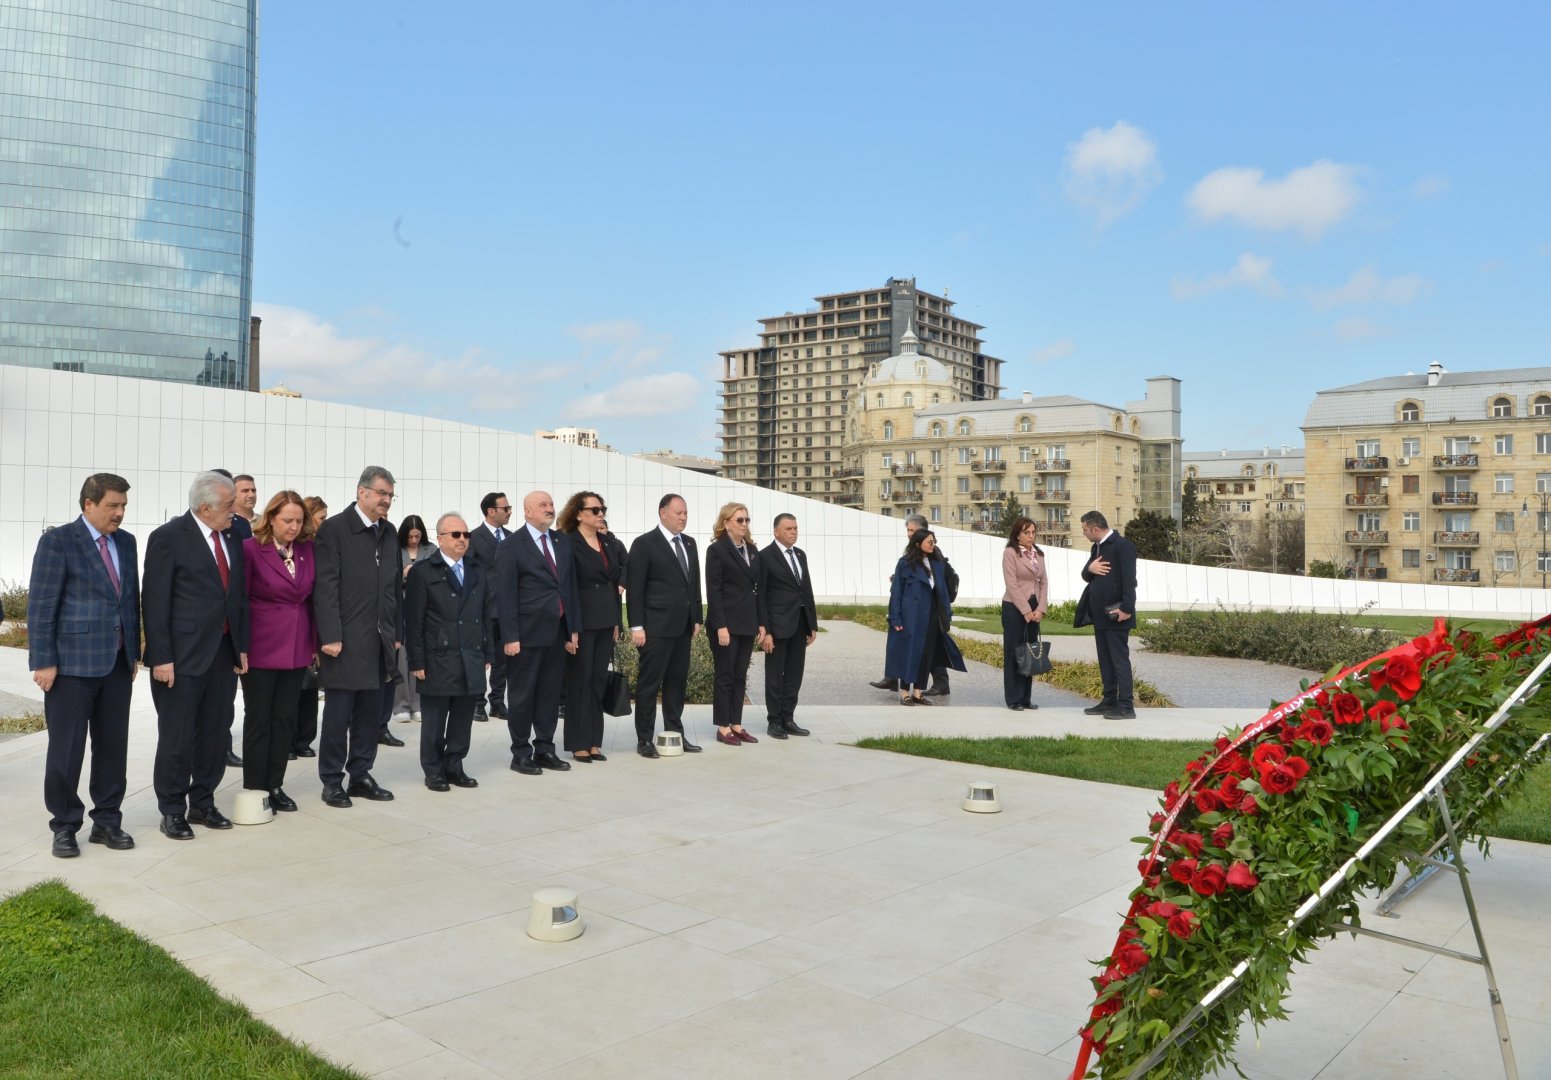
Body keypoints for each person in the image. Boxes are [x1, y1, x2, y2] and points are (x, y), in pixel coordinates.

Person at [28, 473, 141, 858]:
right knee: (67, 750)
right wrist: (44, 661)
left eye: (123, 505)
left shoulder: (127, 543)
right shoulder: (58, 542)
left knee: (112, 749)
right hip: (71, 667)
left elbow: (129, 600)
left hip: (116, 664)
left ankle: (107, 821)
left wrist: (133, 653)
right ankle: (64, 825)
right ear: (88, 504)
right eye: (112, 505)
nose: (120, 513)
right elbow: (41, 607)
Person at [143, 470, 250, 838]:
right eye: (228, 504)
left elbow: (237, 597)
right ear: (205, 507)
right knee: (178, 736)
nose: (235, 510)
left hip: (222, 654)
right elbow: (154, 603)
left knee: (215, 733)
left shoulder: (234, 535)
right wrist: (160, 657)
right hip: (181, 657)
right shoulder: (169, 538)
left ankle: (203, 802)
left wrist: (241, 647)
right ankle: (172, 809)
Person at [312, 466, 401, 807]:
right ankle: (332, 780)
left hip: (380, 640)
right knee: (339, 714)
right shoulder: (335, 529)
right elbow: (326, 586)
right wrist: (331, 635)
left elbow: (393, 589)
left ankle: (361, 774)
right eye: (381, 493)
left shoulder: (389, 532)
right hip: (345, 641)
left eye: (391, 495)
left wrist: (395, 633)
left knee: (370, 714)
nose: (386, 501)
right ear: (362, 492)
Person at [240, 490, 318, 813]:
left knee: (284, 719)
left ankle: (275, 784)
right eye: (288, 520)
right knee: (260, 720)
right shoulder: (250, 550)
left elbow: (312, 599)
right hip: (261, 647)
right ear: (271, 518)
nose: (294, 526)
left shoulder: (306, 550)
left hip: (297, 646)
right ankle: (255, 787)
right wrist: (240, 647)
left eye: (299, 520)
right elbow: (239, 601)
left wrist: (313, 643)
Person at [495, 490, 581, 775]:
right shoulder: (512, 545)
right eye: (542, 505)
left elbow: (569, 588)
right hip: (525, 635)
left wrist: (573, 629)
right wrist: (510, 637)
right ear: (527, 512)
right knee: (522, 696)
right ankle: (520, 753)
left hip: (556, 633)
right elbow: (505, 595)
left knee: (549, 694)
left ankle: (545, 748)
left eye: (551, 504)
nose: (549, 508)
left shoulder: (561, 542)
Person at [405, 513, 493, 790]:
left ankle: (454, 765)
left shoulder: (477, 570)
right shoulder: (423, 571)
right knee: (434, 719)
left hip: (470, 655)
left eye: (466, 535)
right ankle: (433, 770)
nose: (462, 540)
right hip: (437, 657)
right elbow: (414, 620)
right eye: (456, 535)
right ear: (441, 538)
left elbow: (486, 614)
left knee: (462, 717)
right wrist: (417, 659)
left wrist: (487, 652)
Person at [627, 494, 703, 758]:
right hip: (655, 628)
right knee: (650, 685)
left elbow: (694, 584)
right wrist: (636, 626)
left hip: (682, 627)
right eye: (678, 513)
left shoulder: (690, 543)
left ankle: (676, 734)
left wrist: (697, 617)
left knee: (676, 684)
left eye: (686, 513)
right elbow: (635, 589)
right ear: (662, 513)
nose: (683, 517)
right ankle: (645, 739)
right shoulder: (644, 544)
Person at [558, 491, 626, 762]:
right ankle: (578, 742)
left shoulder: (607, 541)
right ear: (578, 514)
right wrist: (571, 629)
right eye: (595, 510)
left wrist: (616, 622)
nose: (600, 514)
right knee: (580, 683)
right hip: (581, 622)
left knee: (597, 681)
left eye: (602, 509)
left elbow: (616, 581)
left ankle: (594, 741)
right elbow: (566, 588)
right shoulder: (566, 542)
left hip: (605, 621)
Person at [869, 513, 956, 695]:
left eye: (912, 530)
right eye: (908, 530)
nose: (909, 534)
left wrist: (945, 611)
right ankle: (897, 680)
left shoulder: (934, 555)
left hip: (930, 610)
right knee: (912, 645)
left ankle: (937, 683)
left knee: (929, 648)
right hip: (915, 609)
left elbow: (937, 582)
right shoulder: (910, 556)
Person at [884, 529, 965, 705]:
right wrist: (895, 618)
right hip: (911, 616)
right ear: (918, 543)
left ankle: (918, 692)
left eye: (934, 541)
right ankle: (905, 692)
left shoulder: (937, 564)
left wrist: (946, 615)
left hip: (932, 616)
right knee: (909, 653)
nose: (933, 544)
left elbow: (942, 592)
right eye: (929, 541)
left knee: (926, 654)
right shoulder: (905, 563)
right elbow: (896, 592)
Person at [703, 502, 762, 747]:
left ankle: (736, 724)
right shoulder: (717, 551)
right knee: (725, 675)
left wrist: (761, 623)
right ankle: (723, 726)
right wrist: (720, 625)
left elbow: (757, 590)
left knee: (739, 676)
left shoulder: (752, 550)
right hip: (726, 624)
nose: (744, 524)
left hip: (747, 622)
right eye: (739, 520)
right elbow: (714, 591)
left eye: (747, 520)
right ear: (726, 522)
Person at [757, 512, 818, 739]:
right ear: (776, 532)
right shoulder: (765, 556)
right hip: (777, 626)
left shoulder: (800, 555)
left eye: (795, 528)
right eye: (789, 529)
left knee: (794, 675)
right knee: (774, 676)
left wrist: (812, 624)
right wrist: (766, 630)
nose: (794, 532)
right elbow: (761, 596)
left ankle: (788, 718)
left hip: (799, 626)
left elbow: (806, 590)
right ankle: (774, 721)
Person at [1076, 510, 1138, 719]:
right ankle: (1109, 700)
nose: (1083, 533)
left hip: (1117, 613)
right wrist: (1090, 568)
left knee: (1119, 661)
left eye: (1085, 529)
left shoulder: (1122, 546)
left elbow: (1130, 581)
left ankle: (1126, 706)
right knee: (1105, 660)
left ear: (1095, 528)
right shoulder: (1097, 547)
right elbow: (1086, 575)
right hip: (1099, 615)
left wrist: (1127, 609)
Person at [467, 492, 514, 722]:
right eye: (506, 508)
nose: (509, 512)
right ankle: (477, 703)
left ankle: (498, 702)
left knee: (502, 660)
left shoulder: (512, 537)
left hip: (507, 609)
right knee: (480, 658)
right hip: (483, 609)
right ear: (491, 511)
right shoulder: (474, 537)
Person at [290, 495, 329, 761]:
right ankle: (289, 741)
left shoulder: (320, 547)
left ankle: (304, 739)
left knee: (310, 687)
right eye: (321, 518)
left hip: (313, 625)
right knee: (293, 689)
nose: (324, 523)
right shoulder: (299, 547)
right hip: (294, 624)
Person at [389, 514, 434, 726]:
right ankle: (401, 705)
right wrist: (405, 575)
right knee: (402, 656)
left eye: (417, 536)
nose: (414, 540)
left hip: (424, 608)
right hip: (401, 606)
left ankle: (418, 704)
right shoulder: (395, 551)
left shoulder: (431, 550)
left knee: (419, 656)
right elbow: (387, 581)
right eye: (410, 536)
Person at [1000, 517, 1049, 712]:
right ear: (1017, 535)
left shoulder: (1039, 554)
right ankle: (1014, 699)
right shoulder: (1010, 553)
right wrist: (1026, 611)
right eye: (1026, 532)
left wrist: (1040, 609)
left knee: (1030, 652)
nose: (1031, 536)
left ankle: (1026, 698)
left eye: (1033, 532)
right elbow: (1011, 584)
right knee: (1014, 652)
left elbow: (1044, 582)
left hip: (1035, 606)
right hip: (1014, 607)